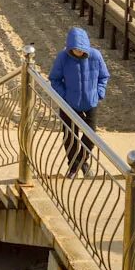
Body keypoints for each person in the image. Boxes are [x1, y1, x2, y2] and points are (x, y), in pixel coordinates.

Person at [48, 28, 110, 177]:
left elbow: (104, 77)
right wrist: (64, 96)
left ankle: (81, 161)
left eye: (80, 49)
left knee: (90, 136)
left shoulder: (95, 56)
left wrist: (99, 93)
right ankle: (74, 168)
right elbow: (54, 79)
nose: (78, 52)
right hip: (69, 103)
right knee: (69, 137)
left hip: (90, 103)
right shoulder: (63, 57)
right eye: (75, 49)